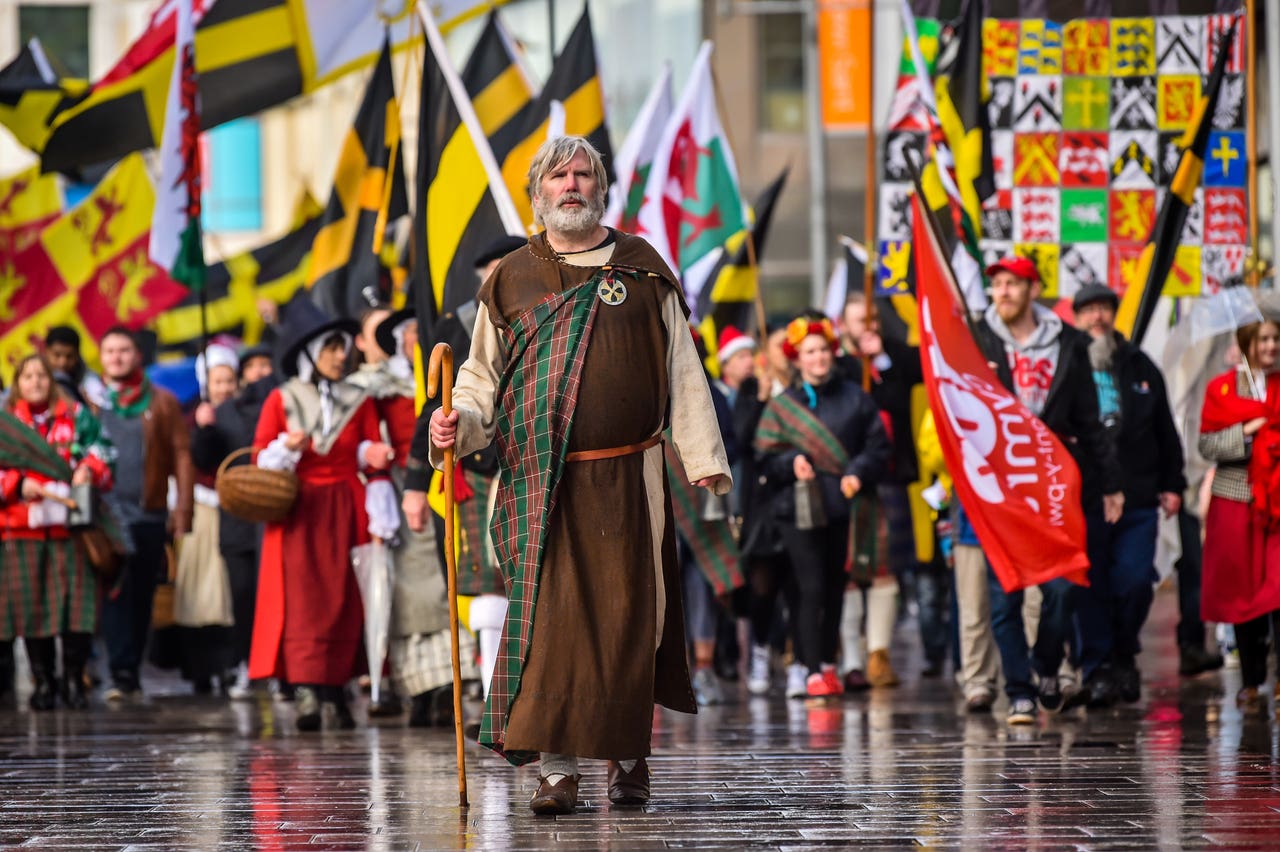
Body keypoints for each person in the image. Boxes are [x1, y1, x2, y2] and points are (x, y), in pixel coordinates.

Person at [417, 136, 731, 815]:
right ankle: (556, 771)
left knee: (627, 623)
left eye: (582, 173)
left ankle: (628, 759)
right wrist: (457, 426)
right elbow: (479, 380)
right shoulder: (510, 277)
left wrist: (704, 458)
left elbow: (683, 365)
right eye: (557, 175)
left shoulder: (643, 268)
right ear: (537, 192)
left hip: (630, 478)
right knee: (549, 626)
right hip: (537, 482)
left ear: (601, 186)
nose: (571, 185)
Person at [971, 257, 1122, 724]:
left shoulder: (1069, 344)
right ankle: (1019, 690)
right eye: (996, 283)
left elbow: (1089, 418)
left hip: (1052, 484)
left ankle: (1045, 664)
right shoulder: (977, 340)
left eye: (1012, 283)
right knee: (1005, 594)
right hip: (998, 486)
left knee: (1060, 587)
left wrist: (1110, 483)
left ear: (1032, 289)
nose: (1003, 291)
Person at [249, 300, 397, 731]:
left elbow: (372, 452)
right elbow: (260, 456)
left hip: (347, 509)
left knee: (345, 599)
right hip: (299, 513)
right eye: (332, 347)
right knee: (302, 603)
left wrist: (373, 458)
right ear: (312, 352)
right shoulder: (283, 399)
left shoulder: (360, 398)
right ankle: (308, 690)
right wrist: (285, 449)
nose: (341, 355)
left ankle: (337, 687)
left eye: (343, 347)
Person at [754, 315, 891, 700]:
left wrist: (859, 472)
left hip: (842, 507)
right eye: (809, 351)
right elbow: (764, 456)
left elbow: (877, 446)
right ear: (796, 358)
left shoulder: (855, 397)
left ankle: (828, 664)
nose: (818, 358)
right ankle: (811, 668)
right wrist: (790, 463)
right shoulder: (782, 406)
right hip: (794, 510)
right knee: (809, 585)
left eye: (823, 350)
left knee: (834, 587)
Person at [1072, 284, 1187, 704]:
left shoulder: (1140, 366)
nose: (1097, 317)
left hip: (1139, 495)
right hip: (1085, 497)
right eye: (1088, 311)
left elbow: (1165, 431)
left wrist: (1173, 484)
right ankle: (1098, 666)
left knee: (1136, 581)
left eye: (1103, 309)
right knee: (1091, 584)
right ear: (1077, 318)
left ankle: (1123, 652)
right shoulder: (1069, 366)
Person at [0, 354, 115, 710]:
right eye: (28, 376)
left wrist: (89, 469)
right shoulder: (6, 424)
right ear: (18, 383)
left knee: (75, 608)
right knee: (33, 609)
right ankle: (44, 681)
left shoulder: (78, 417)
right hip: (23, 530)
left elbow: (106, 451)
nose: (35, 382)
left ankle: (73, 679)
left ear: (52, 381)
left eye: (42, 375)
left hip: (72, 528)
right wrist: (18, 485)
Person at [837, 294, 939, 685]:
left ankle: (879, 653)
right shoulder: (839, 365)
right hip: (848, 479)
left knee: (886, 570)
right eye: (859, 319)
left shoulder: (890, 357)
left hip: (890, 478)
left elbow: (914, 376)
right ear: (844, 324)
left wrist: (881, 358)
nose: (868, 325)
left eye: (873, 318)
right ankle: (851, 657)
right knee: (848, 570)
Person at [96, 326, 194, 701]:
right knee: (115, 592)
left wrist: (181, 510)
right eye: (109, 350)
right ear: (101, 358)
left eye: (124, 350)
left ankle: (131, 669)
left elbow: (182, 456)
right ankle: (120, 673)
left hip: (149, 513)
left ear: (137, 355)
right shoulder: (91, 404)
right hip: (106, 516)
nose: (117, 357)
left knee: (141, 597)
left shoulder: (162, 402)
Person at [1198, 319, 1280, 711]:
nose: (1271, 346)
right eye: (1264, 339)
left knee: (1277, 593)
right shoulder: (1222, 389)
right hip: (1237, 500)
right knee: (1245, 596)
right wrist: (1248, 431)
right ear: (1247, 343)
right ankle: (1251, 681)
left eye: (1276, 339)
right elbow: (1207, 444)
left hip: (1276, 504)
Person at [189, 344, 278, 699]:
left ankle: (275, 669)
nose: (257, 373)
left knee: (269, 591)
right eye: (251, 367)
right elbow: (204, 459)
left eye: (263, 366)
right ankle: (245, 662)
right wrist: (204, 429)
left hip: (271, 513)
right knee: (241, 593)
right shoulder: (220, 413)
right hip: (236, 518)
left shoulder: (270, 406)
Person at [734, 323, 796, 695]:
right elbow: (742, 441)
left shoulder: (803, 386)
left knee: (799, 582)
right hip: (762, 500)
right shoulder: (750, 388)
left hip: (798, 492)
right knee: (763, 583)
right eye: (779, 342)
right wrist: (759, 398)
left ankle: (797, 655)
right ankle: (760, 648)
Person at [44, 326, 108, 410]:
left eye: (69, 356)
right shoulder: (37, 380)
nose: (63, 363)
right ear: (46, 352)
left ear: (77, 354)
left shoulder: (89, 380)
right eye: (57, 355)